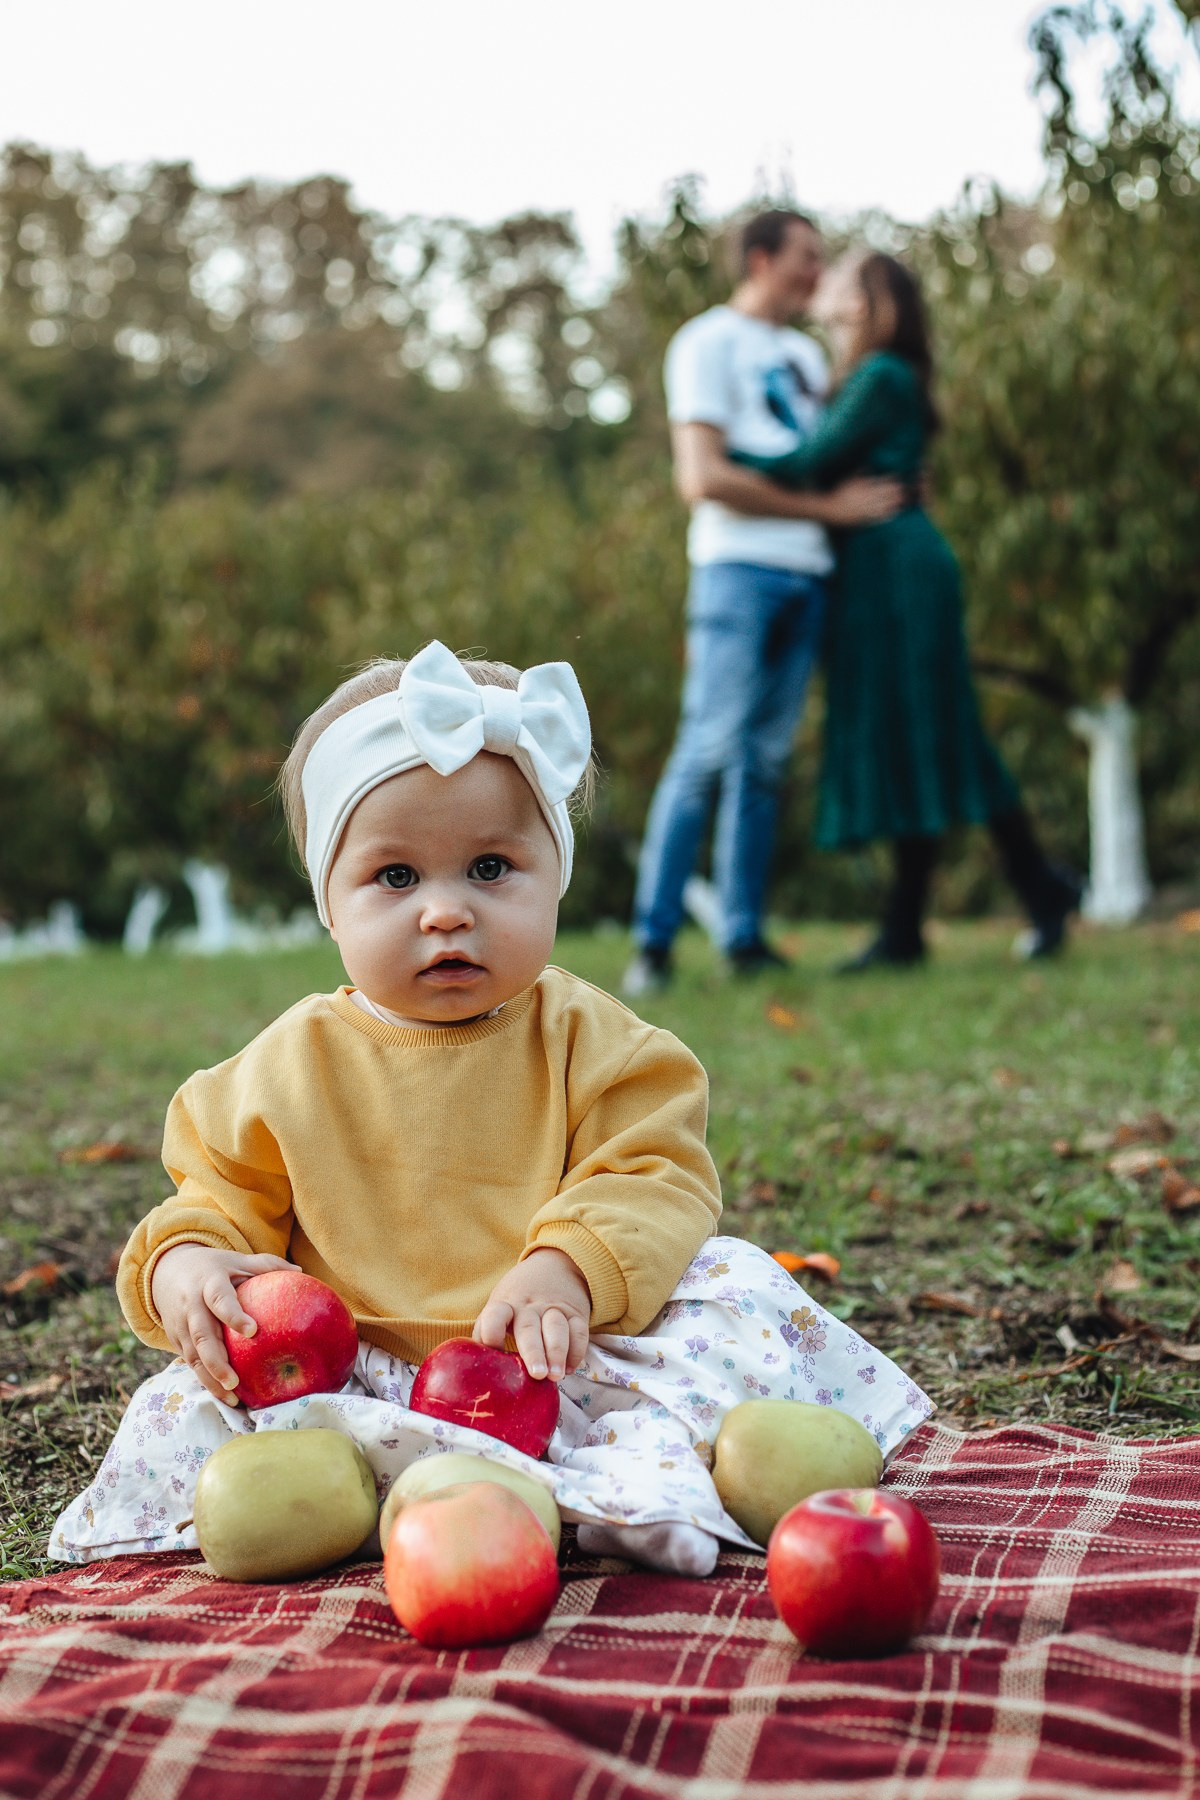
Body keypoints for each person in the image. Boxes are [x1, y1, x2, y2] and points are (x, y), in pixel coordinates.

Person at [49, 640, 932, 1577]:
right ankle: (366, 1490)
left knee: (729, 1299)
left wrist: (570, 1266)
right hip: (361, 1370)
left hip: (566, 1354)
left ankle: (647, 1477)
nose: (445, 912)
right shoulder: (287, 1066)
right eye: (396, 878)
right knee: (187, 1412)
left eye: (490, 867)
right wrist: (189, 1261)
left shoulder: (595, 1040)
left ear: (554, 874)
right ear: (328, 905)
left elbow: (651, 1173)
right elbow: (218, 1192)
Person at [731, 252, 1081, 968]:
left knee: (931, 728)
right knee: (922, 731)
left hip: (897, 569)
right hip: (874, 569)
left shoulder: (881, 374)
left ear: (864, 304)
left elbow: (808, 463)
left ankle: (957, 913)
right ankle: (969, 908)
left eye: (839, 276)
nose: (822, 281)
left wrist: (715, 455)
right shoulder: (866, 376)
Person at [623, 209, 905, 997]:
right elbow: (703, 478)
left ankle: (743, 936)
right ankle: (653, 940)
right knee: (706, 750)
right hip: (737, 571)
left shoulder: (805, 354)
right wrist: (831, 512)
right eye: (805, 258)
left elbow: (821, 460)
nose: (817, 273)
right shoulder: (706, 342)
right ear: (760, 258)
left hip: (809, 578)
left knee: (766, 762)